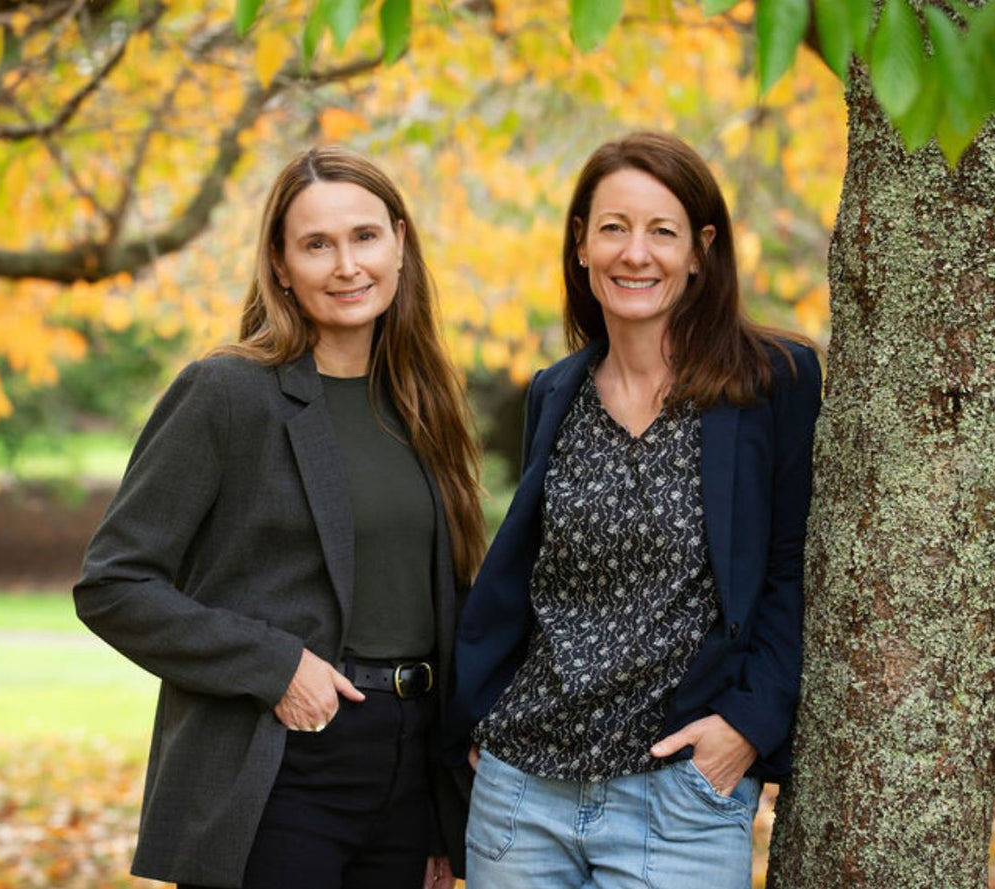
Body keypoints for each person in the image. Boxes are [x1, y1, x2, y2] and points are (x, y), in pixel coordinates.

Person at [73, 145, 484, 889]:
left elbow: (446, 601)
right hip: (276, 763)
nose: (346, 265)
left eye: (364, 236)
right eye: (316, 244)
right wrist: (277, 665)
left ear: (399, 242)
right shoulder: (228, 393)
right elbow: (114, 584)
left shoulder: (426, 404)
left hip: (405, 769)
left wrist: (439, 810)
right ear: (281, 264)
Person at [448, 132, 822, 888]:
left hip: (680, 796)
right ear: (581, 244)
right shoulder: (557, 391)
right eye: (613, 228)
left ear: (700, 249)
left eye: (662, 231)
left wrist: (746, 728)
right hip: (523, 793)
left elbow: (791, 571)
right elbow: (533, 576)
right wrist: (488, 716)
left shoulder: (773, 381)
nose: (635, 253)